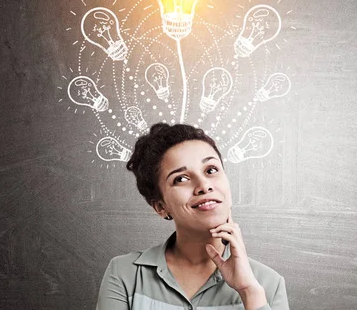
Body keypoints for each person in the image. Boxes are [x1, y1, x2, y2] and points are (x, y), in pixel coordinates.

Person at [96, 123, 289, 310]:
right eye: (181, 179)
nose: (204, 185)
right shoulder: (125, 275)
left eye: (211, 170)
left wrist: (249, 292)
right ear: (161, 207)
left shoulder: (268, 284)